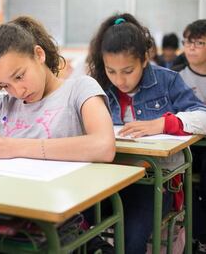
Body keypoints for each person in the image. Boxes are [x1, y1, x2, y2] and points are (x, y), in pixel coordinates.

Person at [87, 13, 206, 254]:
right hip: (107, 178)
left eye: (128, 70)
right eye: (111, 71)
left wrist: (162, 124)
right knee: (71, 222)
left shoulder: (167, 80)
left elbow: (203, 116)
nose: (119, 80)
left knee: (132, 239)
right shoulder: (97, 84)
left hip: (154, 182)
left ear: (144, 59)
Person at [0, 16, 115, 163]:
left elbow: (104, 146)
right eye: (5, 85)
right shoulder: (1, 105)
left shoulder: (80, 90)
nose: (18, 91)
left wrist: (14, 147)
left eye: (19, 76)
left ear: (39, 55)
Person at [179, 19, 206, 253]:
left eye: (199, 42)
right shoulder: (175, 73)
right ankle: (195, 237)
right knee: (180, 180)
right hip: (187, 144)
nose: (191, 47)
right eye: (188, 42)